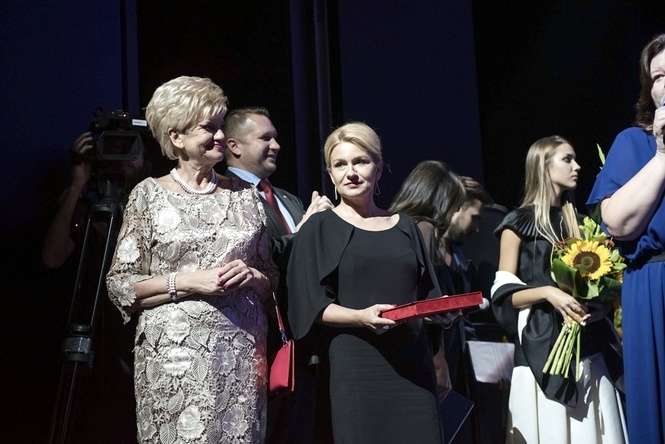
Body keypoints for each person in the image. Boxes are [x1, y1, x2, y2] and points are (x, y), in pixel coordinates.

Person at [106, 76, 276, 443]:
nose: (220, 136)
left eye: (221, 125)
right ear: (177, 137)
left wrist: (251, 275)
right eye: (209, 128)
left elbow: (271, 281)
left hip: (241, 358)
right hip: (173, 361)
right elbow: (120, 284)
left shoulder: (245, 196)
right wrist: (188, 282)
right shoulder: (148, 195)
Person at [287, 123, 443, 444]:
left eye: (360, 161)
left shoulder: (406, 227)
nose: (351, 173)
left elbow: (429, 295)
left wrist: (443, 312)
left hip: (413, 368)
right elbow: (307, 305)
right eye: (340, 165)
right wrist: (360, 317)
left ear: (379, 168)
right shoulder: (318, 228)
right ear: (330, 175)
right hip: (353, 368)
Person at [492, 136, 626, 443]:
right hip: (541, 347)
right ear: (543, 165)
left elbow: (603, 284)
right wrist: (549, 293)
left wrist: (599, 307)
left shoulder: (582, 224)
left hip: (589, 348)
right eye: (567, 159)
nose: (577, 166)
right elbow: (503, 292)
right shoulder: (518, 223)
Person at [223, 107, 333, 444]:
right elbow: (257, 255)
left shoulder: (288, 198)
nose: (276, 145)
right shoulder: (225, 195)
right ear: (234, 146)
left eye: (276, 137)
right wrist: (305, 229)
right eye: (265, 138)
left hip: (302, 342)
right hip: (259, 339)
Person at [586, 33, 665, 443]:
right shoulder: (634, 143)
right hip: (655, 286)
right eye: (658, 76)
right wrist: (663, 153)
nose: (664, 83)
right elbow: (616, 223)